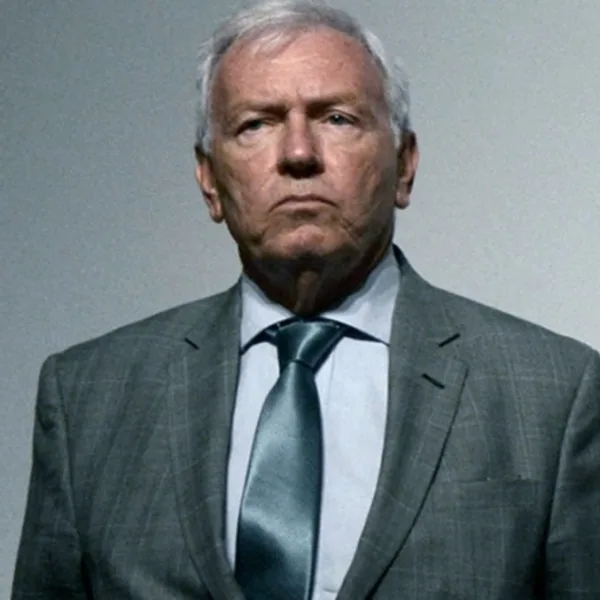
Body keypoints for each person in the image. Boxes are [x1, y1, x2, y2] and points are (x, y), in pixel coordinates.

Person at [12, 0, 600, 598]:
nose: (298, 154)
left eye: (337, 118)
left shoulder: (551, 395)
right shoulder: (88, 399)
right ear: (209, 180)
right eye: (255, 124)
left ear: (404, 165)